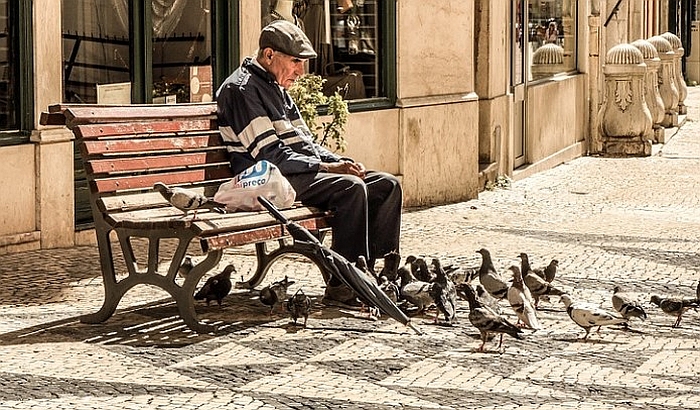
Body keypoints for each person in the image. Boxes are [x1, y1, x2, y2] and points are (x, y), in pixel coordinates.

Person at [215, 20, 402, 306]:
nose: (300, 71)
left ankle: (379, 278)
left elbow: (306, 143)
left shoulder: (275, 86)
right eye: (295, 62)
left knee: (386, 185)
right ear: (269, 55)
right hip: (265, 181)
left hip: (290, 173)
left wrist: (339, 161)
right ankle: (344, 285)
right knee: (349, 188)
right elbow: (269, 156)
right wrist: (329, 169)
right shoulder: (242, 90)